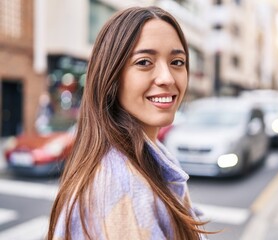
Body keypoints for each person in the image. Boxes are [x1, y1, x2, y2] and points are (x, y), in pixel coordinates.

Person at [47, 6, 212, 240]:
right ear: (111, 75)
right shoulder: (121, 186)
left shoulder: (146, 160)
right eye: (144, 62)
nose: (167, 78)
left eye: (177, 61)